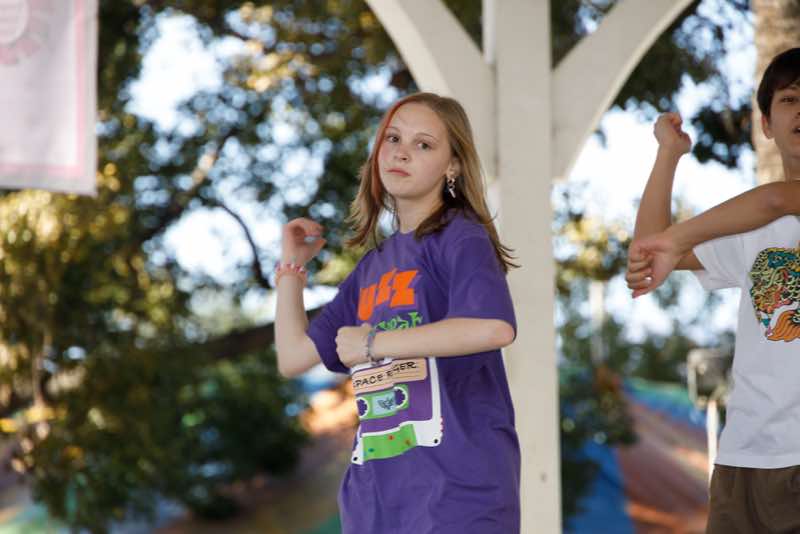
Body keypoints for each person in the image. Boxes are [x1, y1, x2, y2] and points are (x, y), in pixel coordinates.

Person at [274, 92, 520, 533]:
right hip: (375, 505)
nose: (402, 152)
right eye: (393, 138)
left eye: (423, 144)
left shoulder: (461, 236)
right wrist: (291, 269)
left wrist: (374, 343)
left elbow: (493, 328)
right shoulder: (371, 268)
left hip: (459, 498)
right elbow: (293, 358)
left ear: (452, 165)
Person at [626, 48, 800, 533]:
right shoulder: (752, 227)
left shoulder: (765, 206)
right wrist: (668, 155)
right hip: (745, 458)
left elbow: (774, 198)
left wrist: (677, 239)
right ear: (765, 123)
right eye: (789, 99)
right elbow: (651, 250)